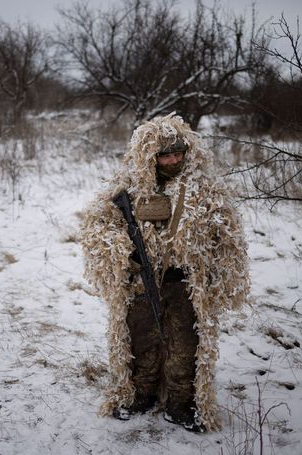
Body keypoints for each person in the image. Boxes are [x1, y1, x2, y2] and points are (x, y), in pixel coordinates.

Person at [80, 113, 250, 432]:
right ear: (150, 157)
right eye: (164, 155)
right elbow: (96, 225)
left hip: (185, 282)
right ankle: (141, 394)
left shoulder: (203, 190)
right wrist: (119, 247)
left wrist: (216, 264)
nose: (173, 160)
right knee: (141, 340)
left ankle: (179, 402)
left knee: (185, 344)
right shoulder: (127, 189)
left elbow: (228, 233)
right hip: (140, 283)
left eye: (178, 153)